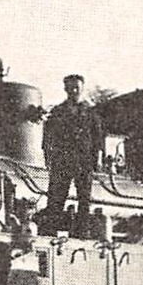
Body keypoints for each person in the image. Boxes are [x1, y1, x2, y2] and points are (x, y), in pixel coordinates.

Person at [42, 74, 103, 224]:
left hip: (84, 162)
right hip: (62, 161)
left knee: (84, 200)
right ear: (65, 89)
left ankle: (82, 233)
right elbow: (48, 137)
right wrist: (49, 158)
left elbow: (98, 138)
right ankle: (50, 231)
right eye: (70, 88)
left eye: (77, 87)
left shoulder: (91, 113)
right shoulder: (58, 112)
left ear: (82, 88)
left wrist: (97, 160)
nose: (74, 91)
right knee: (56, 198)